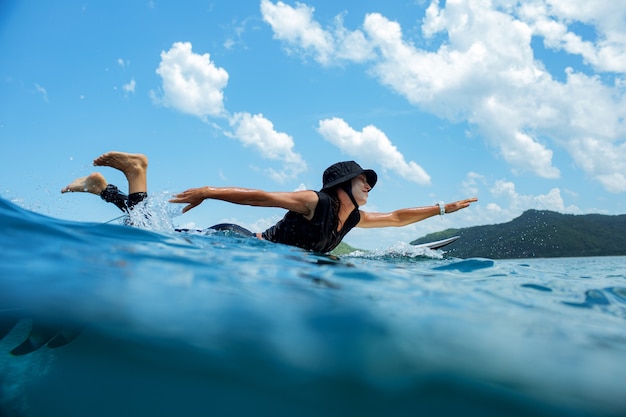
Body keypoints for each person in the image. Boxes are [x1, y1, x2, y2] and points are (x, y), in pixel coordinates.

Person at [62, 151, 478, 253]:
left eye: (369, 181)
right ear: (340, 186)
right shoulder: (313, 201)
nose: (369, 186)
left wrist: (443, 208)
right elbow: (259, 197)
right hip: (235, 242)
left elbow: (398, 217)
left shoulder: (351, 219)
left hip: (251, 252)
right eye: (362, 181)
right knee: (150, 240)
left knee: (151, 234)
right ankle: (136, 172)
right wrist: (208, 191)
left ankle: (104, 190)